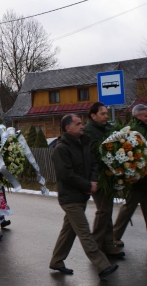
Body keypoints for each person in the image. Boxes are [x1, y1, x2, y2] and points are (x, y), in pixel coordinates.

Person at [49, 114, 118, 279]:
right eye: (78, 124)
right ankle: (102, 265)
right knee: (84, 232)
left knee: (69, 231)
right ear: (68, 128)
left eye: (82, 123)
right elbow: (67, 175)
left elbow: (94, 163)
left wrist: (93, 181)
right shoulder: (61, 149)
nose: (82, 126)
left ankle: (57, 261)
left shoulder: (83, 142)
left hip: (82, 195)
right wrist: (87, 185)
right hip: (70, 198)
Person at [83, 102, 125, 259]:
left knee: (107, 210)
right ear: (93, 116)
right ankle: (95, 246)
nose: (106, 116)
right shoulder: (88, 131)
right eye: (103, 114)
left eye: (107, 113)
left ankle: (108, 246)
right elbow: (96, 152)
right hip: (96, 176)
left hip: (108, 174)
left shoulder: (107, 129)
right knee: (104, 210)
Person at [113, 104, 147, 246]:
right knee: (128, 208)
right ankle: (114, 236)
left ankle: (114, 236)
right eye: (145, 115)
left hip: (144, 177)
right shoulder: (132, 131)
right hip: (137, 178)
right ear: (137, 116)